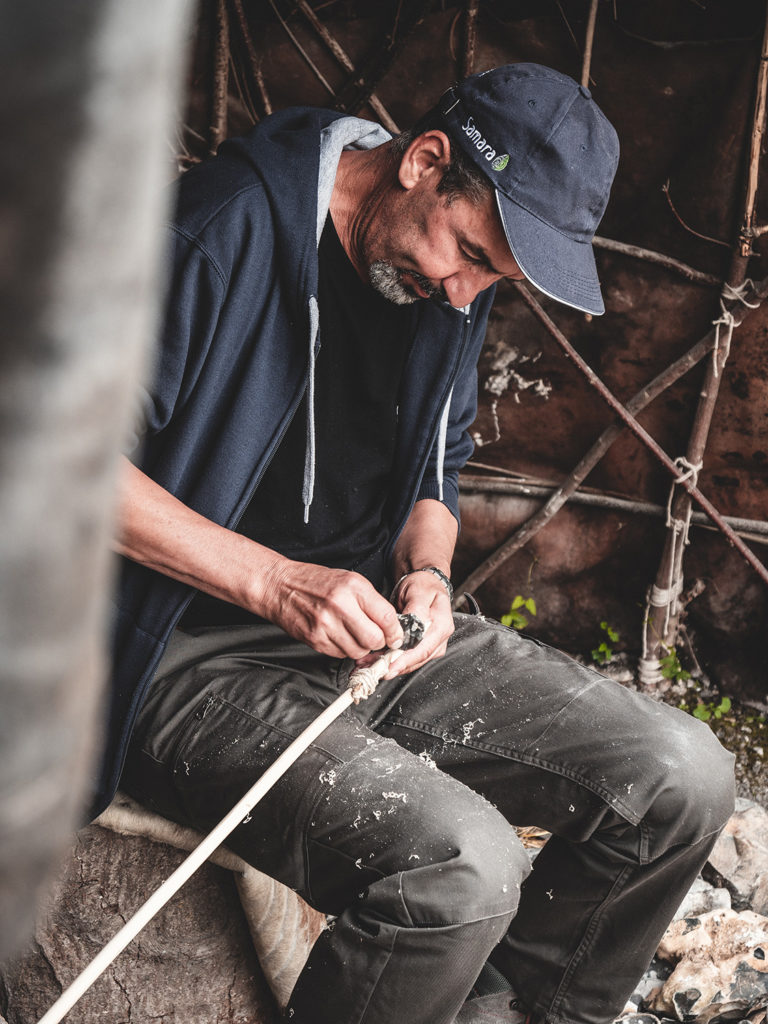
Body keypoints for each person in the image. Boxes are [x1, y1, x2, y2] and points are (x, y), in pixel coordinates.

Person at [105, 64, 735, 1024]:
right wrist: (276, 584)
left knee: (682, 779)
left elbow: (436, 463)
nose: (464, 294)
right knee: (463, 869)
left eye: (492, 278)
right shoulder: (213, 229)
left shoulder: (442, 279)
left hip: (357, 630)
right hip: (175, 652)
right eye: (472, 253)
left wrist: (428, 571)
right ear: (425, 162)